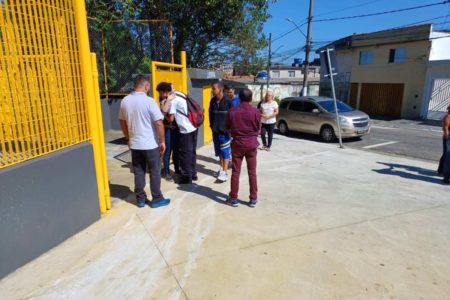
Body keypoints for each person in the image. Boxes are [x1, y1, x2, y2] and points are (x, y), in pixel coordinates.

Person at [118, 75, 170, 208]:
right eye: (149, 87)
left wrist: (128, 138)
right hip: (150, 144)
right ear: (146, 86)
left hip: (135, 144)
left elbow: (122, 122)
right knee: (155, 171)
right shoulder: (149, 101)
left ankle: (140, 199)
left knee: (139, 171)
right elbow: (159, 123)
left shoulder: (125, 101)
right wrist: (162, 141)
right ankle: (157, 198)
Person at [225, 88, 261, 207]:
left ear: (239, 98)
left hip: (238, 144)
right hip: (251, 144)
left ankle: (233, 198)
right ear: (251, 99)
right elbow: (257, 128)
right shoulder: (256, 112)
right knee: (252, 172)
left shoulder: (232, 111)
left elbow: (227, 127)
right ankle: (253, 199)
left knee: (236, 171)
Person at [158, 82, 198, 185]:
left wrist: (162, 114)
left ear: (166, 92)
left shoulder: (172, 100)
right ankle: (193, 174)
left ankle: (186, 177)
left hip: (184, 129)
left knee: (184, 154)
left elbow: (170, 118)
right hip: (193, 126)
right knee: (191, 152)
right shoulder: (181, 94)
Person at [209, 81, 233, 182]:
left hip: (225, 133)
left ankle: (225, 172)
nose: (212, 90)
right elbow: (210, 115)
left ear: (220, 89)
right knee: (219, 152)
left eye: (214, 89)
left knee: (225, 152)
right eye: (212, 88)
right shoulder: (212, 101)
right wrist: (212, 126)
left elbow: (232, 117)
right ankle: (221, 169)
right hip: (215, 131)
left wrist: (230, 130)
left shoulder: (228, 101)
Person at [157, 83, 180, 182]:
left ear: (164, 92)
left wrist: (163, 114)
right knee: (170, 151)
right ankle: (168, 172)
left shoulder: (167, 100)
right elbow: (171, 118)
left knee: (170, 151)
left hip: (170, 129)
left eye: (160, 92)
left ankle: (170, 171)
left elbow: (170, 118)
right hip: (172, 128)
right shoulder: (166, 101)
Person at [438, 104, 450, 183]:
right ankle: (443, 172)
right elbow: (445, 127)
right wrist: (446, 135)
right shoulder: (448, 117)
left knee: (447, 155)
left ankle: (441, 170)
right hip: (448, 137)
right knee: (447, 155)